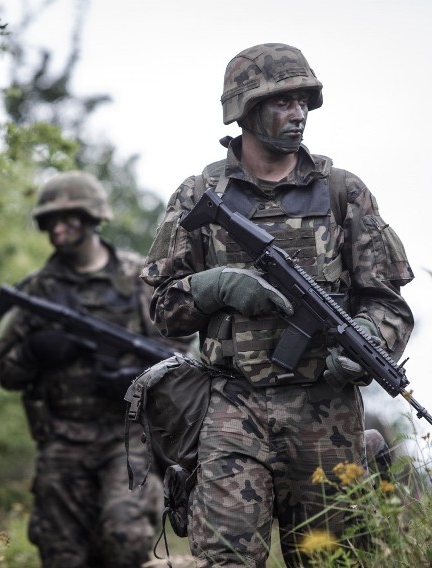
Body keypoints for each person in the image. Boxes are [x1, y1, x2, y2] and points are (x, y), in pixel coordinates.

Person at [141, 43, 415, 567]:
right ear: (243, 110)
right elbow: (161, 308)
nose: (298, 115)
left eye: (304, 102)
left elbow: (389, 303)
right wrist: (213, 287)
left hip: (326, 412)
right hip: (230, 407)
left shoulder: (342, 192)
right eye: (282, 102)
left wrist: (369, 340)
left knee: (334, 560)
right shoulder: (200, 194)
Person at [0, 171, 181, 568]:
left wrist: (132, 380)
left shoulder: (136, 280)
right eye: (50, 220)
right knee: (62, 553)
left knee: (125, 536)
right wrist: (33, 353)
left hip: (127, 438)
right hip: (61, 440)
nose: (58, 227)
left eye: (69, 217)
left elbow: (175, 356)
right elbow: (6, 374)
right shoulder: (36, 290)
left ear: (93, 217)